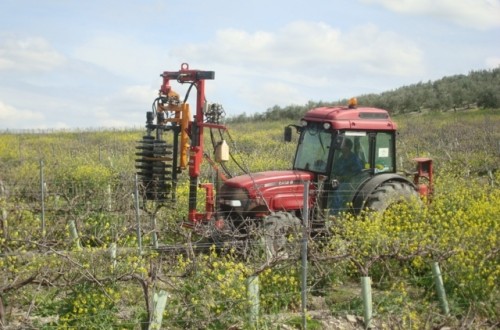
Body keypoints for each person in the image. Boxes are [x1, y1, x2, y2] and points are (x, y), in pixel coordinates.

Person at [330, 138, 363, 215]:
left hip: (351, 183)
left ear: (347, 147)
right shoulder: (340, 159)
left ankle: (334, 215)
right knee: (326, 188)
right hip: (339, 181)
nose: (340, 147)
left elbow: (358, 173)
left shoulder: (354, 159)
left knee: (338, 192)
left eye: (342, 145)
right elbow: (335, 169)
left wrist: (342, 177)